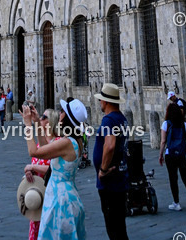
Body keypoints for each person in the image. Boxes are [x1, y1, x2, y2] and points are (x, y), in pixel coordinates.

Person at [22, 99, 87, 240]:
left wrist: (27, 125)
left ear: (68, 118)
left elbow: (33, 151)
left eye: (63, 112)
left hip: (61, 201)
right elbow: (45, 146)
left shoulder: (66, 143)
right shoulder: (75, 140)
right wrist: (37, 122)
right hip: (66, 195)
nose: (60, 113)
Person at [93, 83, 129, 240]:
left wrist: (103, 169)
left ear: (106, 102)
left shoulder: (109, 120)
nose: (100, 102)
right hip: (121, 178)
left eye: (101, 99)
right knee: (120, 227)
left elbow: (110, 145)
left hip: (110, 181)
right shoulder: (122, 119)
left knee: (113, 229)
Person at [159, 101, 186, 213]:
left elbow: (163, 142)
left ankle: (176, 203)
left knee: (173, 179)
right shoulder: (184, 124)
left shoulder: (166, 124)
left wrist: (160, 155)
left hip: (170, 154)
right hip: (182, 154)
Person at [27, 108, 54, 240]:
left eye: (44, 117)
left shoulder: (56, 142)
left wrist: (29, 123)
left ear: (51, 122)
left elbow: (53, 167)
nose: (41, 119)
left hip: (50, 195)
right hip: (37, 197)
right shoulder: (41, 142)